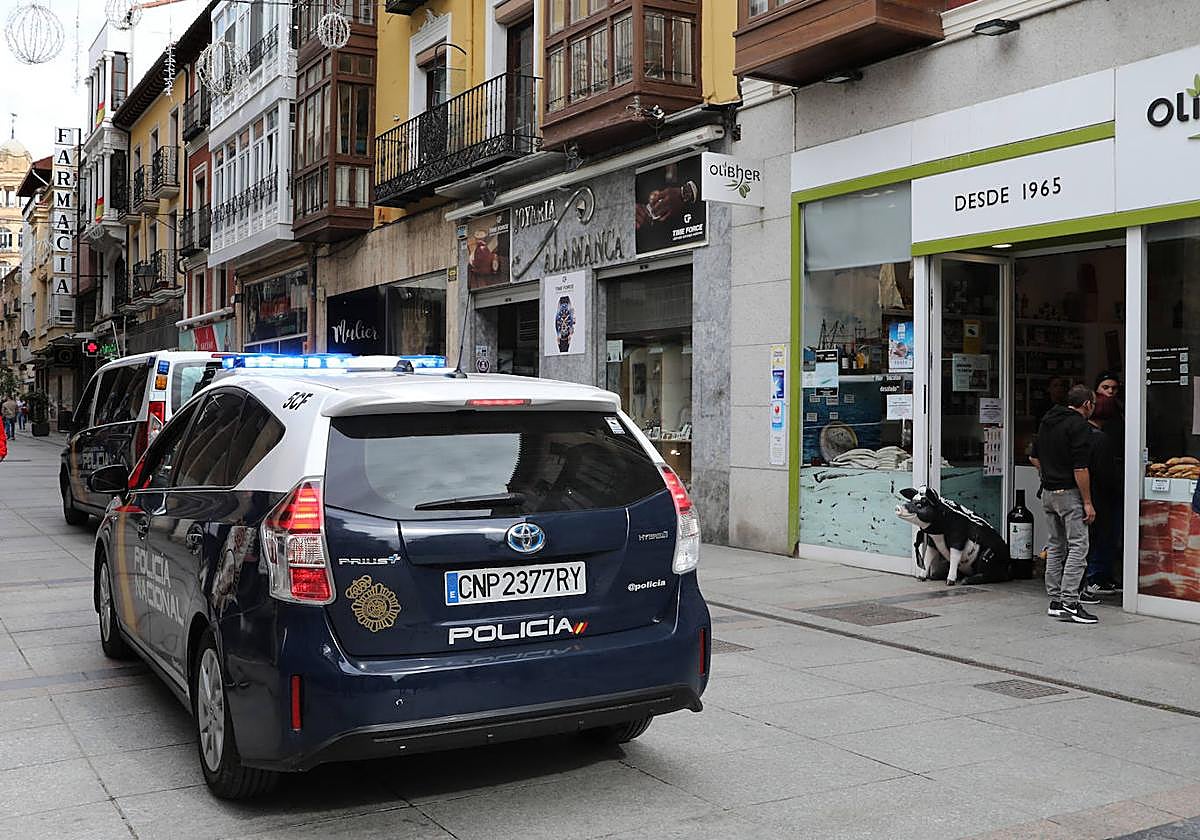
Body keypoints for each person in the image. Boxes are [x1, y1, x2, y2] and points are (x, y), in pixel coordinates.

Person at [1030, 384, 1100, 624]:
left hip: (1048, 493)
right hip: (1069, 493)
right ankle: (1070, 602)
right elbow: (1081, 468)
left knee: (1056, 545)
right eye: (1093, 404)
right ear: (1087, 404)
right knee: (1079, 546)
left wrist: (1047, 473)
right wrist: (1088, 502)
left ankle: (1056, 600)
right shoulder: (1079, 426)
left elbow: (1033, 455)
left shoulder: (1048, 420)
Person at [1085, 372, 1125, 595]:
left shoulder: (1117, 415)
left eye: (1114, 388)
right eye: (1105, 387)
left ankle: (1104, 575)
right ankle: (1095, 576)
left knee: (1110, 533)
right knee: (1101, 534)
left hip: (1109, 485)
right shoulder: (1095, 433)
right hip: (1102, 488)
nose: (1110, 392)